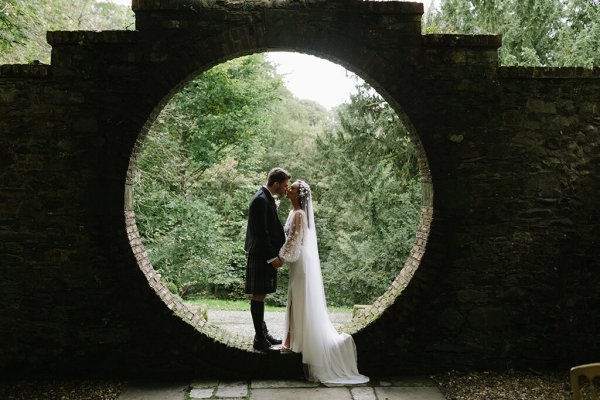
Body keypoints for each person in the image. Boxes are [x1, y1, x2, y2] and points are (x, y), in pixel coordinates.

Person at [278, 179, 369, 385]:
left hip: (301, 262)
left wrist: (281, 258)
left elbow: (295, 240)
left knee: (300, 299)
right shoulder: (293, 212)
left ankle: (297, 342)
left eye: (291, 188)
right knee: (294, 297)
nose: (288, 190)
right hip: (297, 261)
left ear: (299, 195)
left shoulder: (299, 214)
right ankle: (291, 339)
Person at [245, 167, 291, 352]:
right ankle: (259, 340)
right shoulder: (260, 200)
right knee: (258, 295)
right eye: (285, 185)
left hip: (264, 255)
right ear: (276, 183)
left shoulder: (266, 199)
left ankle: (263, 335)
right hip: (262, 256)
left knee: (261, 294)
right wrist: (273, 258)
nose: (286, 188)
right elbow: (261, 234)